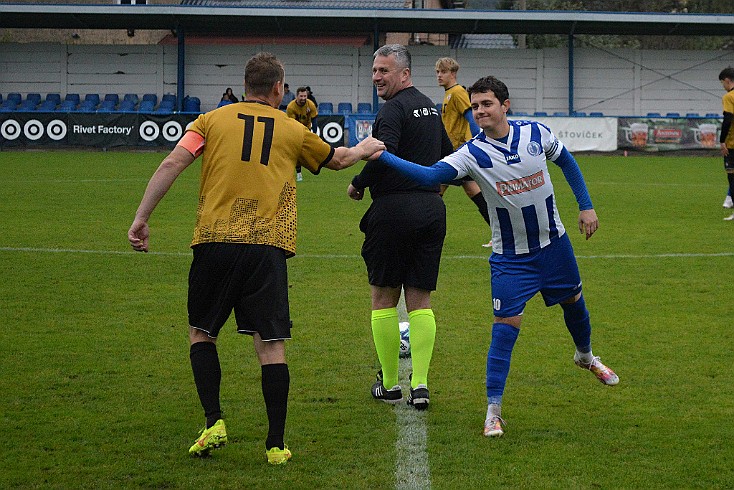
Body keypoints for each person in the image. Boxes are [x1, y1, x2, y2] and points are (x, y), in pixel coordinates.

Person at [127, 52, 384, 464]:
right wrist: (367, 146)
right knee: (271, 345)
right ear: (279, 89)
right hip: (267, 244)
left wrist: (141, 217)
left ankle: (213, 422)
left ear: (245, 85)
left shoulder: (210, 121)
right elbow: (337, 160)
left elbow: (174, 161)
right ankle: (276, 445)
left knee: (201, 333)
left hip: (215, 240)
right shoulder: (292, 127)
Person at [370, 75, 618, 436]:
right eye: (475, 106)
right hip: (511, 258)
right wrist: (385, 156)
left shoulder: (535, 133)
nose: (480, 111)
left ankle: (586, 357)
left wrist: (586, 206)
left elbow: (567, 162)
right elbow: (428, 176)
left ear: (505, 105)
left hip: (554, 245)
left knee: (574, 301)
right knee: (505, 329)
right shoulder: (472, 153)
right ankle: (493, 411)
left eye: (486, 104)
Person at [347, 44, 453, 411]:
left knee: (383, 299)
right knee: (421, 300)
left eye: (384, 71)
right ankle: (421, 385)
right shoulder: (430, 107)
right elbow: (449, 157)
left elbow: (381, 154)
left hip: (392, 211)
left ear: (403, 74)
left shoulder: (392, 109)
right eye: (375, 70)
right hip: (430, 210)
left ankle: (390, 384)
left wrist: (358, 181)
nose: (377, 76)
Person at [435, 57, 492, 247]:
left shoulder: (458, 92)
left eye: (442, 72)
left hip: (456, 153)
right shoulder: (449, 93)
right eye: (437, 72)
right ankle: (502, 232)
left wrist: (479, 142)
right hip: (454, 151)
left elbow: (471, 118)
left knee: (434, 191)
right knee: (472, 190)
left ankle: (423, 233)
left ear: (453, 73)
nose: (439, 76)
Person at [286, 86, 319, 182]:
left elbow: (314, 120)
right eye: (301, 96)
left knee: (310, 150)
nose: (303, 98)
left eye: (305, 96)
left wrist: (314, 133)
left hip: (307, 129)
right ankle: (298, 172)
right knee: (296, 152)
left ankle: (314, 168)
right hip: (295, 130)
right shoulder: (291, 107)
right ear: (297, 96)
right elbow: (293, 123)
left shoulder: (310, 105)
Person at [718, 67, 734, 221]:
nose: (723, 85)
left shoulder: (729, 97)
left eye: (722, 82)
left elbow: (728, 119)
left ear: (727, 80)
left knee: (732, 177)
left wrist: (722, 141)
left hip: (732, 143)